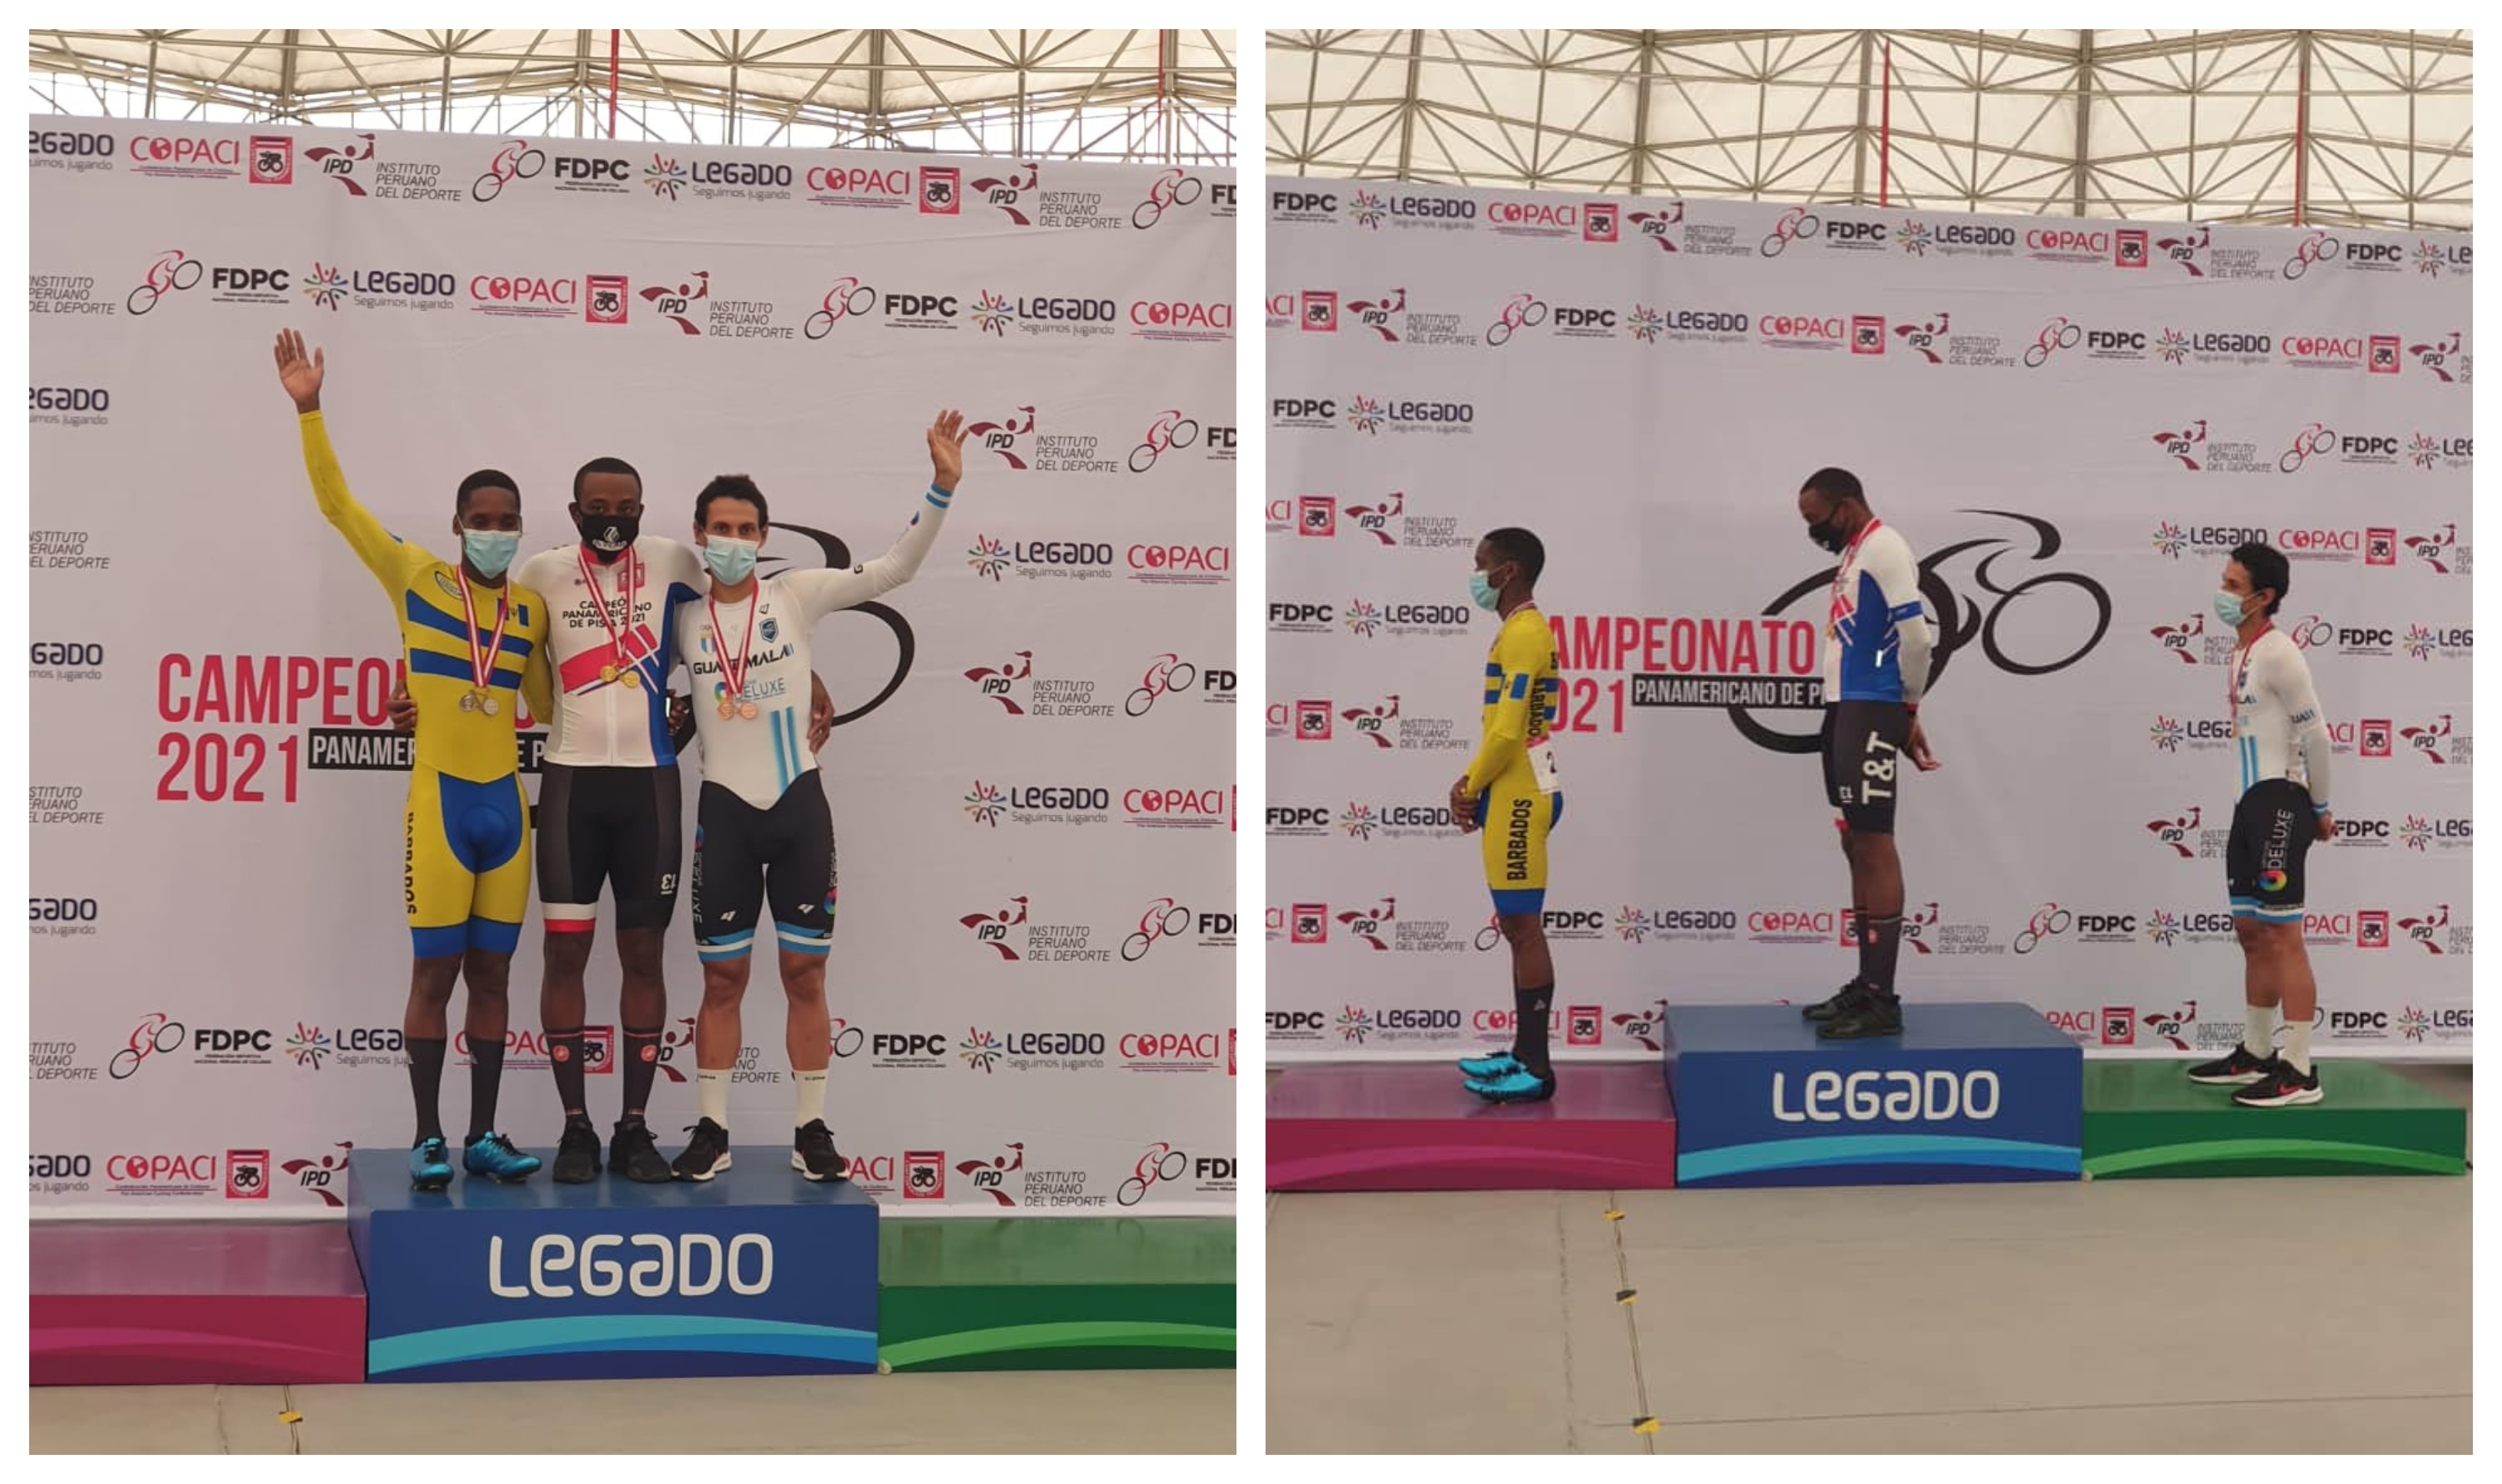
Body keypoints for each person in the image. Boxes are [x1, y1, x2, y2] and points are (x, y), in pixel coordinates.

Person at [389, 471, 836, 1185]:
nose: (611, 520)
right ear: (573, 512)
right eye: (597, 510)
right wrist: (413, 693)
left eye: (625, 510)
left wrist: (807, 678)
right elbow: (490, 645)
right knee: (563, 958)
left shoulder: (675, 560)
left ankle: (633, 1129)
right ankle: (575, 1129)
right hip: (569, 784)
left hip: (650, 787)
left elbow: (742, 613)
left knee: (644, 959)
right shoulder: (539, 573)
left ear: (643, 513)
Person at [274, 327, 550, 1190]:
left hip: (505, 806)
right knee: (434, 969)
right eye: (484, 521)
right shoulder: (416, 577)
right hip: (438, 800)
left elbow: (551, 705)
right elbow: (337, 508)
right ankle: (429, 1135)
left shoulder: (534, 611)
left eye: (510, 523)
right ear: (459, 523)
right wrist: (311, 410)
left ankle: (485, 1135)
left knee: (496, 973)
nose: (497, 533)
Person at [669, 412, 969, 1181]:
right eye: (720, 526)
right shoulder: (683, 619)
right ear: (699, 534)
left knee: (805, 975)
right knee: (720, 980)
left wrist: (939, 488)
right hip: (725, 812)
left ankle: (812, 1130)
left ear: (762, 535)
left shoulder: (794, 595)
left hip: (798, 807)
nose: (733, 537)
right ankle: (711, 1128)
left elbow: (889, 572)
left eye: (746, 527)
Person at [1793, 468, 1939, 1040]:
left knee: (1875, 844)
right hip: (1845, 707)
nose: (1815, 532)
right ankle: (1865, 982)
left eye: (1817, 520)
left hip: (1872, 707)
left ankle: (1882, 998)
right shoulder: (1855, 552)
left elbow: (1919, 636)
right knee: (1853, 838)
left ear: (1847, 506)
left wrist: (1906, 708)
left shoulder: (1885, 545)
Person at [2188, 543, 2335, 1107]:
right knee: (2250, 933)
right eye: (2223, 581)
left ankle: (2299, 1070)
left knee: (2283, 938)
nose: (2222, 594)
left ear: (2263, 596)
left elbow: (2317, 735)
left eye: (2232, 585)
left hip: (2280, 802)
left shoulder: (2279, 654)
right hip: (2248, 806)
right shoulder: (2240, 651)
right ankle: (2255, 1053)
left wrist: (2319, 807)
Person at [1450, 530, 1565, 1103]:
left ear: (1509, 571)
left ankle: (1537, 1068)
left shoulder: (1526, 633)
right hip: (1516, 785)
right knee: (1516, 927)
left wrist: (1470, 785)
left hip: (1519, 791)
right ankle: (1523, 1053)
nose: (1475, 575)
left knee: (1523, 927)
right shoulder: (1517, 631)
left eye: (1481, 565)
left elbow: (1506, 729)